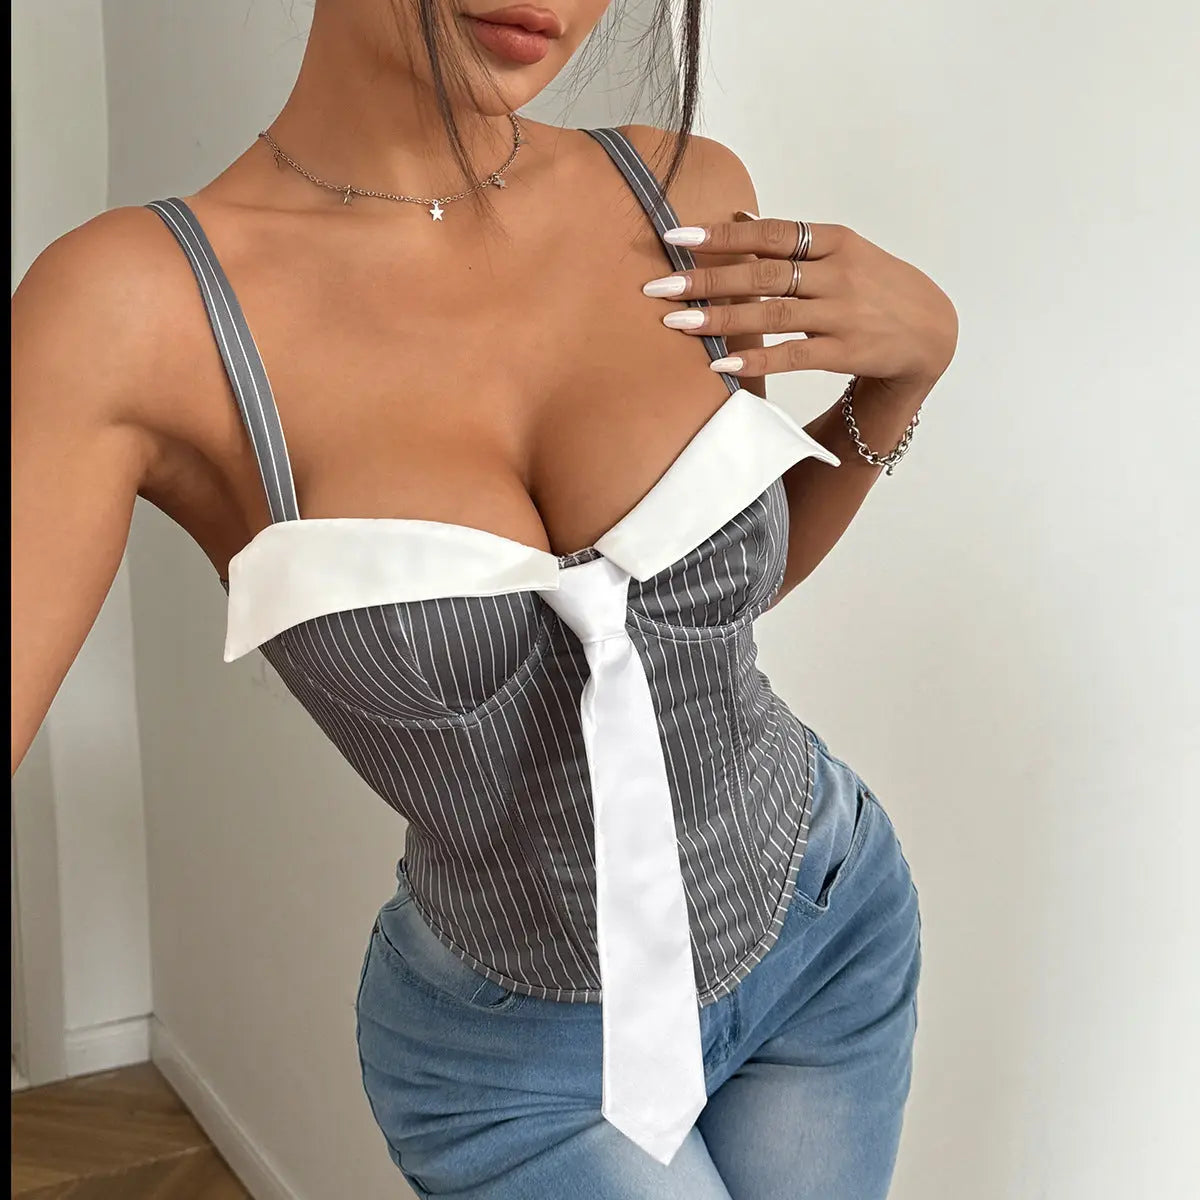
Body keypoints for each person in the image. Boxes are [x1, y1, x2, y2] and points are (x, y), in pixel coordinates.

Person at [11, 1, 957, 1196]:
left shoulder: (682, 193)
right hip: (517, 1065)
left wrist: (904, 378)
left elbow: (704, 615)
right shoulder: (133, 310)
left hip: (825, 923)